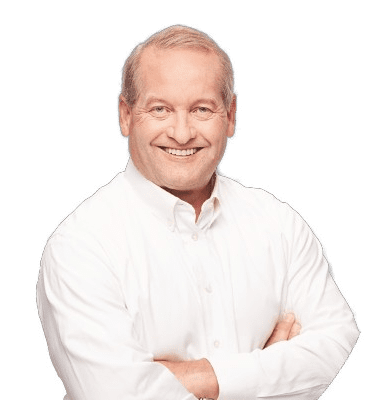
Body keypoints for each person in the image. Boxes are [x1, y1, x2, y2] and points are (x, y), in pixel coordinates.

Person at [37, 24, 359, 400]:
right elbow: (117, 395)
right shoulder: (82, 245)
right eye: (160, 109)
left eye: (201, 109)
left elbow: (334, 340)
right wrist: (267, 371)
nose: (182, 132)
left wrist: (195, 378)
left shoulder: (278, 224)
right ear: (126, 115)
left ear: (230, 116)